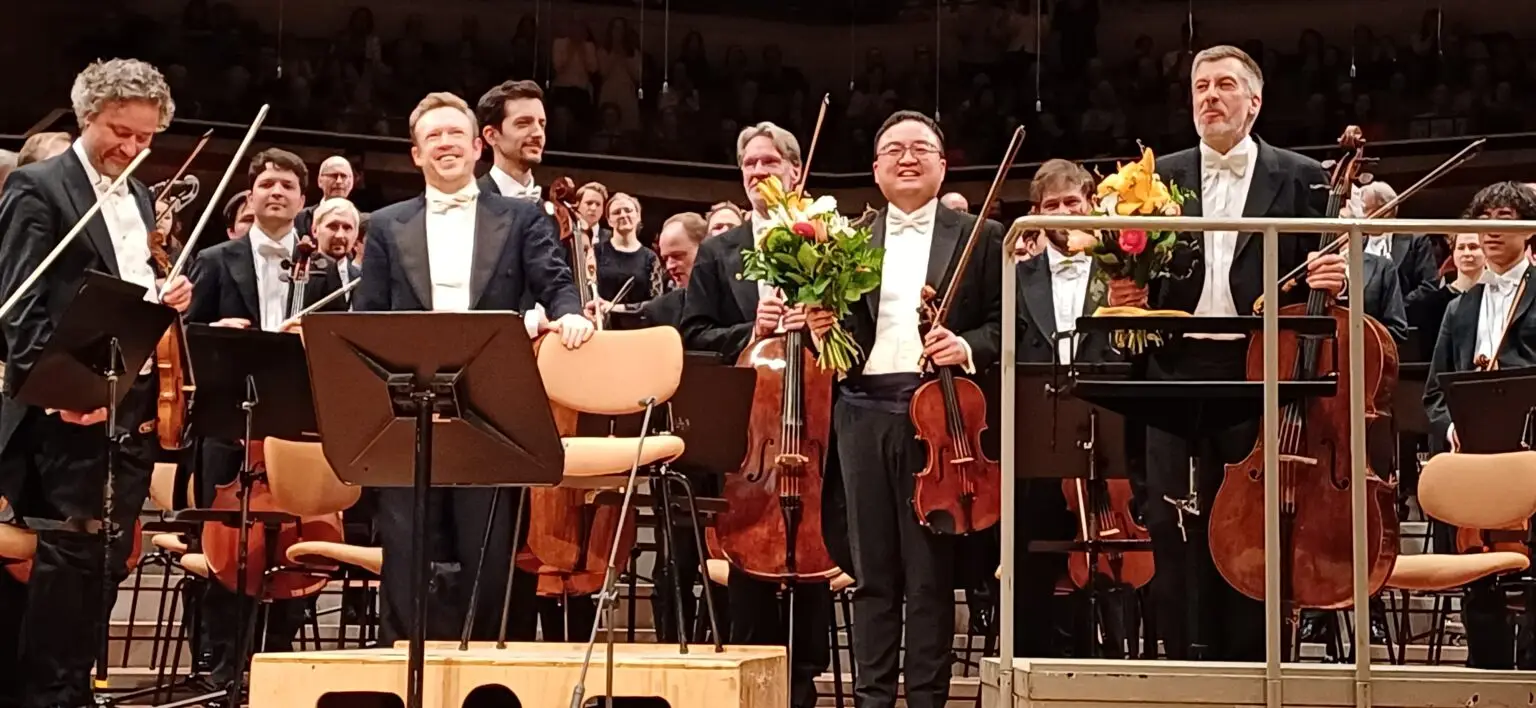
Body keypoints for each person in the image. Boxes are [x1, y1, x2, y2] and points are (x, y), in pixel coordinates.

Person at [355, 91, 591, 645]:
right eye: (433, 136)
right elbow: (369, 316)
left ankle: (485, 669)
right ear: (416, 154)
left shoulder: (522, 217)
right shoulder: (386, 225)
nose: (446, 144)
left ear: (477, 147)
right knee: (407, 548)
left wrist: (572, 314)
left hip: (490, 405)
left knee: (487, 548)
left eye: (455, 134)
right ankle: (405, 664)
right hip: (408, 409)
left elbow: (555, 281)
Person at [1142, 44, 1348, 662]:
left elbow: (1325, 274)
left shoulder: (1304, 176)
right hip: (1174, 368)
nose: (1210, 96)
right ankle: (1184, 670)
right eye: (1201, 86)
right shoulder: (1156, 178)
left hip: (1262, 367)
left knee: (1255, 525)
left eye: (1225, 85)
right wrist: (1127, 285)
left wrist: (1335, 277)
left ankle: (1256, 672)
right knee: (1172, 522)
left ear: (1254, 102)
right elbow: (1134, 269)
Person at [0, 58, 191, 708]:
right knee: (70, 559)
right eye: (120, 132)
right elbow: (18, 306)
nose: (132, 148)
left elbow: (133, 291)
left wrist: (169, 294)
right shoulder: (38, 188)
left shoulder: (138, 195)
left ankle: (71, 687)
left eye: (145, 137)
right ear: (87, 116)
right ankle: (50, 694)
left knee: (109, 559)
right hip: (65, 413)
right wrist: (61, 393)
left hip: (128, 406)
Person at [822, 110, 1001, 708]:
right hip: (862, 409)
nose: (907, 158)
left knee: (929, 575)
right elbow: (844, 339)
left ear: (943, 164)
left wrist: (967, 345)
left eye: (920, 148)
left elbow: (1009, 323)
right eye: (893, 149)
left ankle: (927, 698)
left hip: (942, 415)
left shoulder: (981, 236)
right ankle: (872, 698)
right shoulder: (848, 240)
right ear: (875, 168)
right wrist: (823, 327)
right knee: (872, 573)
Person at [680, 121, 833, 708]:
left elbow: (857, 332)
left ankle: (805, 683)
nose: (759, 172)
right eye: (750, 164)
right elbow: (693, 334)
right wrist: (751, 330)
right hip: (750, 440)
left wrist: (821, 327)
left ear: (795, 170)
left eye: (770, 162)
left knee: (814, 547)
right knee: (748, 572)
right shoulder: (720, 251)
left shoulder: (828, 240)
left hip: (813, 430)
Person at [185, 148, 347, 695]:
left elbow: (339, 348)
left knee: (295, 545)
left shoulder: (323, 271)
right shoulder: (215, 259)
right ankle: (223, 666)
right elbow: (185, 340)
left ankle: (279, 662)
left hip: (297, 425)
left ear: (303, 201)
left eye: (287, 186)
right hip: (231, 422)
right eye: (267, 184)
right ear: (251, 195)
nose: (276, 192)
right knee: (227, 550)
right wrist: (213, 332)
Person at [1422, 181, 1536, 670]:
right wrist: (1451, 426)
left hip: (1530, 454)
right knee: (1478, 580)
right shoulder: (1459, 307)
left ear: (1529, 230)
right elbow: (1434, 393)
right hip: (1474, 458)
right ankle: (1485, 672)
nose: (1491, 231)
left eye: (1504, 220)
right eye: (1483, 220)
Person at [294, 155, 356, 235]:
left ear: (352, 182)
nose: (339, 181)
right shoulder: (300, 218)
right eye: (333, 175)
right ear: (320, 180)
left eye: (344, 176)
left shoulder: (363, 222)